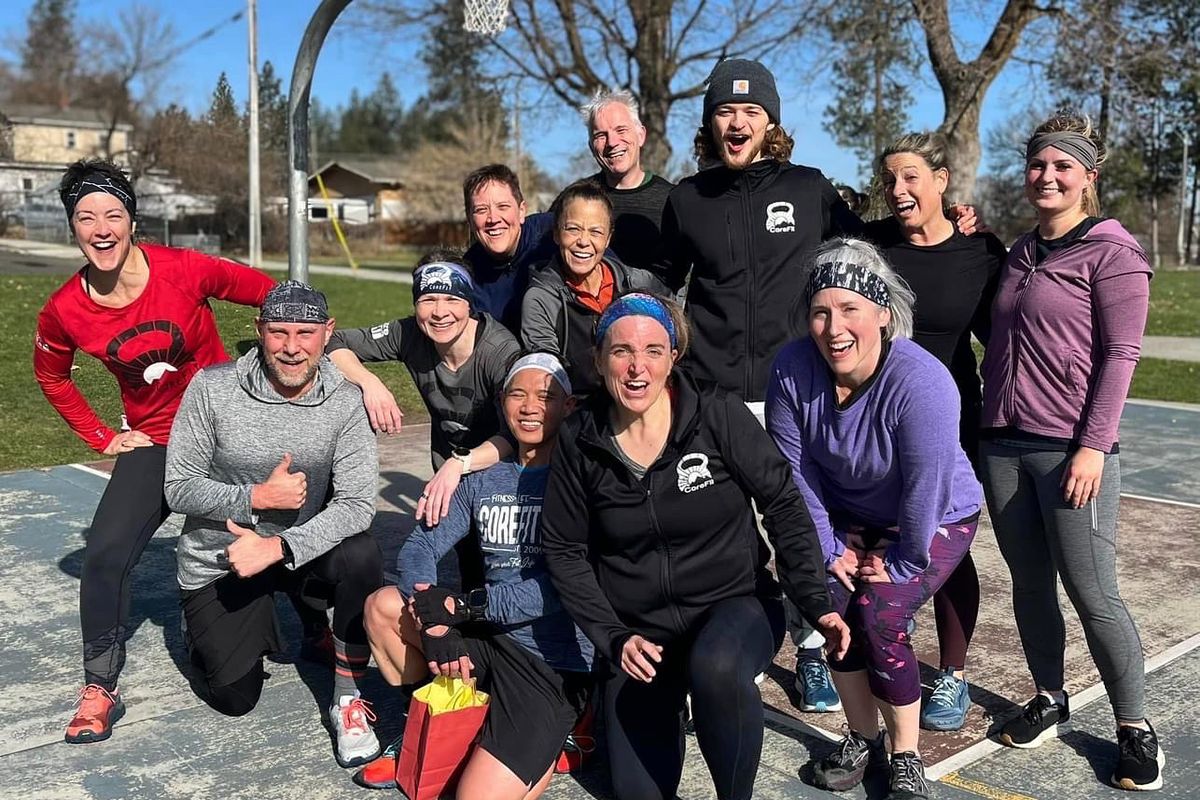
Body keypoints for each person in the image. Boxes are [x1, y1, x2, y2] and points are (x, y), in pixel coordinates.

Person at [540, 292, 849, 800]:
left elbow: (784, 504)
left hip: (733, 605)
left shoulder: (717, 412)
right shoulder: (581, 436)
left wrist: (815, 601)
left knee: (717, 667)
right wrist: (613, 637)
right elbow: (565, 550)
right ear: (599, 360)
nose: (638, 367)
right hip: (638, 636)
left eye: (654, 351)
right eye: (621, 352)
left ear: (673, 357)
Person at [32, 158, 275, 744]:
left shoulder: (184, 269)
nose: (100, 226)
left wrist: (276, 375)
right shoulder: (65, 308)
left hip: (224, 433)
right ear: (73, 227)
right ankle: (99, 685)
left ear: (132, 221)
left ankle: (319, 624)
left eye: (113, 213)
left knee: (283, 518)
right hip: (156, 440)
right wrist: (102, 437)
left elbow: (275, 295)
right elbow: (52, 376)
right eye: (85, 216)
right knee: (106, 553)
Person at [979, 112, 1163, 791]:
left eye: (1063, 166)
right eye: (1037, 165)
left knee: (1094, 594)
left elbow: (1122, 355)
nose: (1047, 176)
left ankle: (1135, 727)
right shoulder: (1020, 251)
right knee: (1029, 585)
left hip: (1070, 452)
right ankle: (1050, 697)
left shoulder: (1113, 252)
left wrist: (1092, 447)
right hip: (1002, 444)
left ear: (1089, 176)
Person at [766, 238, 983, 800]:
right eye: (820, 310)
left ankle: (907, 754)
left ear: (882, 314)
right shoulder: (791, 369)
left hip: (933, 515)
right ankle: (862, 737)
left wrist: (905, 558)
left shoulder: (922, 381)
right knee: (833, 609)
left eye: (849, 309)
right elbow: (795, 471)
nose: (833, 326)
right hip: (848, 514)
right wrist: (829, 546)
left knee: (880, 615)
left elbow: (926, 484)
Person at [163, 281, 383, 768]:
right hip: (226, 557)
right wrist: (256, 498)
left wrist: (279, 546)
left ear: (327, 334)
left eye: (305, 332)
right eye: (278, 331)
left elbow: (357, 504)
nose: (291, 346)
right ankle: (205, 627)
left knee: (362, 553)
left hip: (294, 552)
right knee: (235, 698)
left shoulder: (345, 401)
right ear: (259, 331)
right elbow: (177, 487)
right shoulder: (213, 388)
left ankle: (347, 699)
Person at [358, 353, 594, 798]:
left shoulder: (583, 477)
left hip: (550, 659)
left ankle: (559, 728)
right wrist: (435, 619)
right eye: (517, 395)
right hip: (485, 637)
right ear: (502, 402)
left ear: (569, 406)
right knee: (383, 607)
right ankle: (436, 717)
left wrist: (464, 607)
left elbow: (569, 583)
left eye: (546, 397)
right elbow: (420, 546)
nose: (529, 407)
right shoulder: (483, 477)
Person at [864, 131, 1008, 732]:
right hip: (873, 421)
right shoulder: (870, 245)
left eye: (911, 177)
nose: (899, 191)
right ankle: (875, 639)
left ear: (943, 180)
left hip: (950, 422)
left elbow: (1001, 340)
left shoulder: (981, 253)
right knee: (874, 537)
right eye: (890, 179)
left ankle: (951, 672)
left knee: (948, 546)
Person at [325, 252, 521, 586]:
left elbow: (515, 434)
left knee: (503, 573)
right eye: (428, 299)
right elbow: (334, 341)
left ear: (469, 303)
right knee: (464, 569)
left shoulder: (499, 351)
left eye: (451, 298)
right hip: (449, 475)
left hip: (497, 474)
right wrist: (370, 383)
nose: (440, 311)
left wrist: (459, 464)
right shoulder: (410, 334)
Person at [521, 179, 666, 398]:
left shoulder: (639, 284)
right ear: (556, 234)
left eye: (596, 232)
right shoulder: (540, 299)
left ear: (608, 239)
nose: (583, 241)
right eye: (573, 229)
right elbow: (549, 376)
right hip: (579, 415)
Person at [580, 88, 675, 277]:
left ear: (641, 135)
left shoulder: (673, 200)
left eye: (621, 130)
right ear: (592, 146)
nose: (612, 142)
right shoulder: (578, 199)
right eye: (601, 135)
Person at [461, 164, 556, 334]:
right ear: (469, 219)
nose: (493, 219)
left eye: (503, 207)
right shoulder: (468, 274)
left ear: (521, 211)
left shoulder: (555, 233)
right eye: (481, 210)